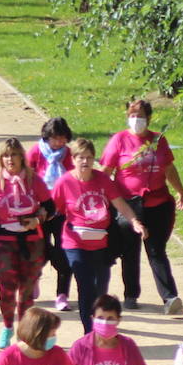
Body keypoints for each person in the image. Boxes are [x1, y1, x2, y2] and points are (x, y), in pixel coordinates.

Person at [99, 98, 183, 314]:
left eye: (140, 116)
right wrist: (103, 198)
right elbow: (106, 172)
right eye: (132, 115)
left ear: (149, 118)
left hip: (157, 203)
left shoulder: (158, 140)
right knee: (130, 250)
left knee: (157, 250)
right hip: (129, 203)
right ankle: (131, 295)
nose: (136, 120)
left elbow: (168, 168)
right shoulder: (119, 140)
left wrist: (180, 191)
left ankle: (170, 297)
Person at [50, 138, 145, 336]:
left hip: (101, 243)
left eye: (89, 158)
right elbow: (53, 210)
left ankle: (100, 325)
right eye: (80, 158)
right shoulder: (64, 182)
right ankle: (89, 334)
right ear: (73, 159)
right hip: (75, 243)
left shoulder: (102, 180)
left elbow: (120, 204)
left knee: (100, 288)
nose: (85, 162)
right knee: (86, 288)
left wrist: (135, 222)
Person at [0, 138, 52, 348]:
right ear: (1, 159)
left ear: (22, 157)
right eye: (6, 155)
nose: (10, 159)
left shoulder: (34, 180)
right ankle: (7, 326)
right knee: (7, 289)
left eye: (14, 154)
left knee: (27, 290)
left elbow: (51, 207)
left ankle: (25, 332)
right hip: (3, 241)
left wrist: (37, 219)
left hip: (30, 241)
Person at [28, 117, 75, 312]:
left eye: (63, 139)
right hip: (40, 210)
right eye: (55, 139)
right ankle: (35, 277)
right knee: (40, 249)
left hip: (62, 210)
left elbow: (74, 179)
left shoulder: (69, 154)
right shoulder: (35, 152)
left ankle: (62, 294)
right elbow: (27, 180)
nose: (59, 143)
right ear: (47, 137)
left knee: (64, 252)